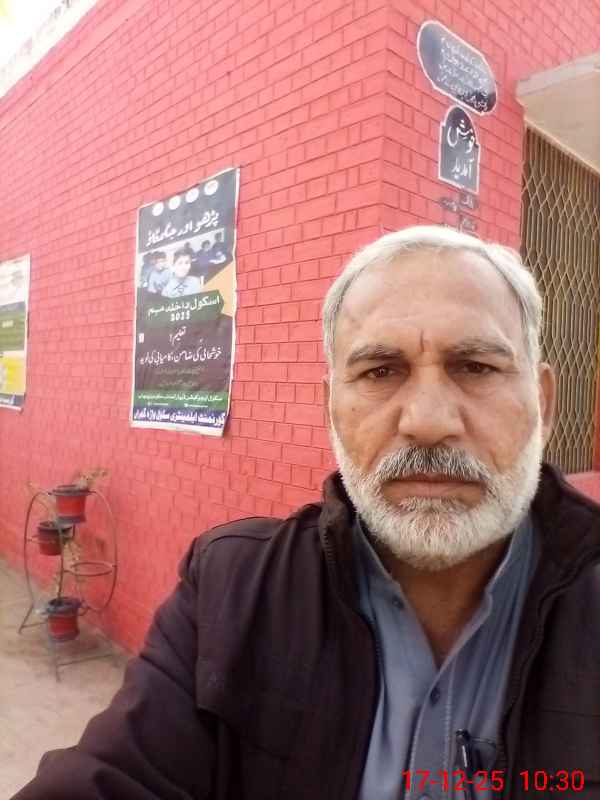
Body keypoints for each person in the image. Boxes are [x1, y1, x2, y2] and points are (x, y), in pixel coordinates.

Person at [13, 225, 600, 800]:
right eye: (380, 371)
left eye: (475, 367)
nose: (427, 420)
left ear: (543, 404)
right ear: (330, 408)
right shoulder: (230, 594)